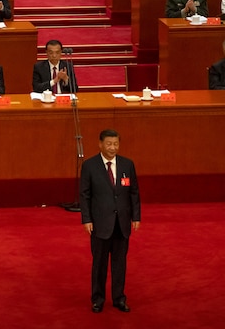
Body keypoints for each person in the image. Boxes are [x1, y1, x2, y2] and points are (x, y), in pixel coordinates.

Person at [80, 129, 141, 314]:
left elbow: (134, 192)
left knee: (119, 263)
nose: (112, 148)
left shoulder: (127, 164)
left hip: (121, 223)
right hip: (100, 224)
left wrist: (136, 216)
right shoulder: (89, 166)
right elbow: (84, 195)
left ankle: (119, 298)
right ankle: (98, 299)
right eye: (109, 144)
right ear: (100, 144)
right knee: (99, 264)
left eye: (115, 144)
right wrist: (87, 219)